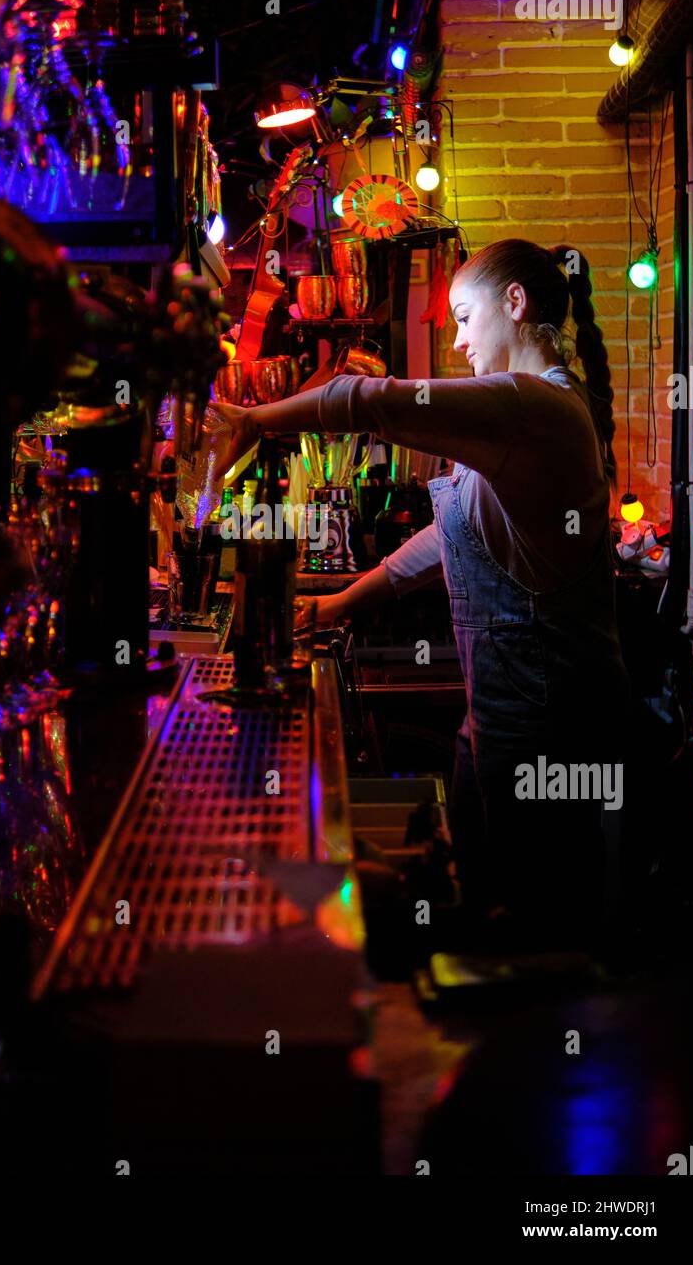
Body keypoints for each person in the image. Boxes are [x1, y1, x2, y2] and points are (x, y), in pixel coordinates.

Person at [212, 239, 633, 948]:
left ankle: (553, 1046)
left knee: (544, 931)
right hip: (499, 717)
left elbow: (369, 399)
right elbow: (451, 537)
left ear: (516, 304)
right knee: (491, 910)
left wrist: (254, 420)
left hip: (552, 723)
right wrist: (343, 602)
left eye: (466, 318)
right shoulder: (531, 411)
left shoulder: (537, 405)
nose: (460, 340)